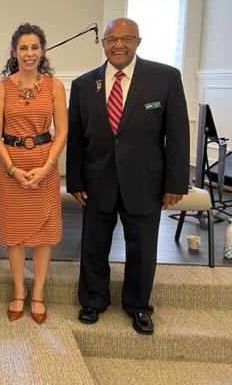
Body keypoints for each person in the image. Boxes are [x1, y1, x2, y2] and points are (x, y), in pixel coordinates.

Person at [66, 17, 189, 335]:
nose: (119, 44)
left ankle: (138, 306)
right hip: (96, 181)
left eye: (127, 38)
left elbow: (176, 135)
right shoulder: (83, 84)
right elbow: (77, 138)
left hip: (146, 182)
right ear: (103, 43)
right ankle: (93, 299)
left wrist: (175, 183)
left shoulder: (165, 78)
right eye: (112, 39)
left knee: (143, 249)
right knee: (93, 246)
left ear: (138, 41)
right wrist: (75, 180)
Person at [0, 23, 68, 325]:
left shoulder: (55, 86)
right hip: (12, 165)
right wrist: (10, 168)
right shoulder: (1, 88)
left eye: (35, 47)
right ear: (14, 52)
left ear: (42, 51)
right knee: (14, 234)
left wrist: (47, 167)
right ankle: (18, 292)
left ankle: (38, 293)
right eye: (23, 47)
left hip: (44, 163)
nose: (29, 53)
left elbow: (62, 132)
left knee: (43, 235)